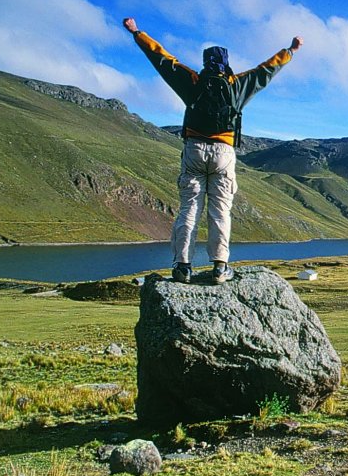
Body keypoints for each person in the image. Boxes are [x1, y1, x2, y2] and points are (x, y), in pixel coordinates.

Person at [123, 17, 302, 283]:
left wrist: (137, 33)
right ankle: (220, 267)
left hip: (194, 150)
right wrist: (290, 51)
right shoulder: (236, 85)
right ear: (226, 63)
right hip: (224, 153)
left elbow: (161, 58)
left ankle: (182, 266)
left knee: (189, 209)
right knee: (220, 211)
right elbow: (266, 70)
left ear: (206, 62)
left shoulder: (192, 81)